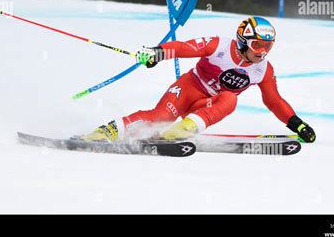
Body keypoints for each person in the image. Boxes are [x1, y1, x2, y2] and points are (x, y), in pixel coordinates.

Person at [80, 16, 316, 143]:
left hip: (205, 107)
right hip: (188, 89)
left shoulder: (262, 69)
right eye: (257, 45)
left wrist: (298, 124)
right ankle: (108, 131)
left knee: (229, 99)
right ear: (243, 41)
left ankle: (184, 129)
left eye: (268, 46)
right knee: (161, 117)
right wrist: (156, 53)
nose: (262, 52)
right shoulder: (219, 46)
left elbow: (274, 101)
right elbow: (183, 48)